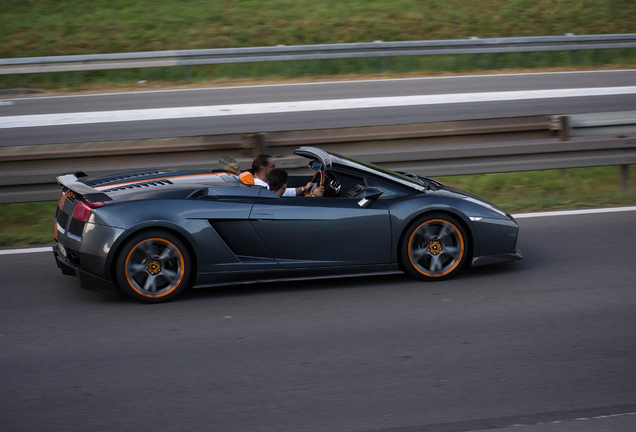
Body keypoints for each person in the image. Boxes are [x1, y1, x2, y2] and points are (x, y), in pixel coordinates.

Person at [241, 154, 316, 197]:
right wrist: (313, 195)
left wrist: (304, 188)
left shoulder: (260, 182)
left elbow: (284, 191)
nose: (275, 169)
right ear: (262, 168)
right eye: (272, 166)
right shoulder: (261, 186)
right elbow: (281, 194)